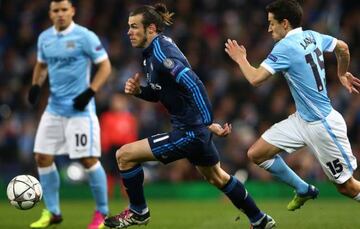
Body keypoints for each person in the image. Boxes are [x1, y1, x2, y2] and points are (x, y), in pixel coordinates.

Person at [104, 3, 275, 229]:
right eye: (129, 27)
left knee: (124, 155)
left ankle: (138, 211)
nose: (129, 32)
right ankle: (260, 219)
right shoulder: (152, 52)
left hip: (190, 131)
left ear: (151, 28)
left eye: (135, 27)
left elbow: (193, 83)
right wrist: (140, 92)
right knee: (217, 177)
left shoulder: (160, 53)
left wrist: (206, 123)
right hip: (192, 128)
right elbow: (161, 94)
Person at [225, 0, 360, 211]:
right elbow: (342, 47)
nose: (269, 28)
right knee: (257, 154)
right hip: (302, 120)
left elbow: (256, 79)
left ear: (285, 23)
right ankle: (303, 189)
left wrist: (241, 58)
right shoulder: (312, 36)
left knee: (347, 187)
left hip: (323, 125)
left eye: (272, 23)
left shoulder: (285, 47)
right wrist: (342, 73)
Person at [27, 0, 111, 228]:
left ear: (72, 11)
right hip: (54, 109)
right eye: (56, 10)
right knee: (42, 157)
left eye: (64, 10)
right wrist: (36, 86)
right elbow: (41, 65)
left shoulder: (85, 36)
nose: (60, 14)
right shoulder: (45, 38)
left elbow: (105, 66)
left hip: (80, 111)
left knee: (88, 159)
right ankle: (53, 212)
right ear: (50, 13)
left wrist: (90, 91)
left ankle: (102, 213)